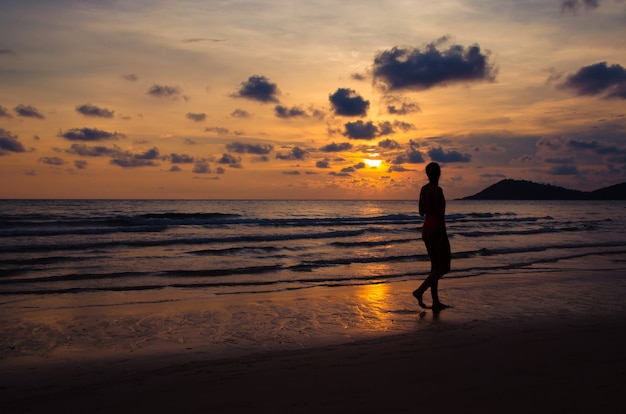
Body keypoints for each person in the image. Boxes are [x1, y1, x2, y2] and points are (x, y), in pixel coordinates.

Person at [413, 162, 451, 310]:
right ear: (439, 174)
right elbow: (440, 215)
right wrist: (442, 233)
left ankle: (435, 301)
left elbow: (421, 212)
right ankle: (420, 290)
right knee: (444, 267)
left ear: (427, 174)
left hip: (426, 228)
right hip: (436, 228)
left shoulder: (424, 190)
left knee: (435, 267)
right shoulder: (437, 190)